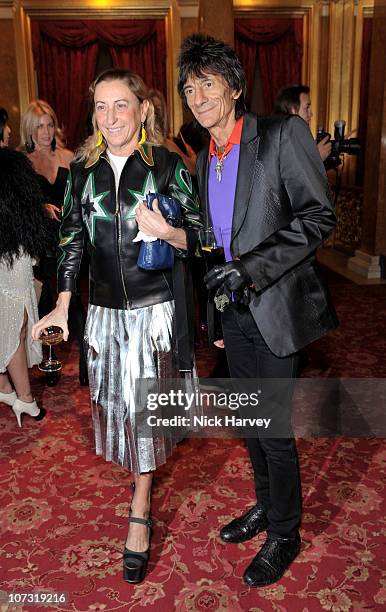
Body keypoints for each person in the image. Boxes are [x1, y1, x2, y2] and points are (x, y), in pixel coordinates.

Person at [178, 34, 338, 588]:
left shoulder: (279, 135)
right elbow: (211, 247)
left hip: (277, 307)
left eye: (208, 85)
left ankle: (286, 532)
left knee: (272, 429)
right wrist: (215, 317)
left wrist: (251, 267)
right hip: (235, 314)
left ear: (236, 88)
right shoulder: (203, 160)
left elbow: (319, 218)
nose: (196, 97)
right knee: (250, 425)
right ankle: (268, 510)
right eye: (189, 88)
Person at [32, 68, 201, 584]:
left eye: (120, 105)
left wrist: (169, 232)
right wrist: (63, 304)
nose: (110, 117)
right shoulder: (83, 172)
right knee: (121, 410)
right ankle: (140, 485)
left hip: (154, 312)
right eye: (100, 107)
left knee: (148, 412)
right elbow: (71, 240)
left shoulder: (167, 164)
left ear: (142, 109)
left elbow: (200, 236)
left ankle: (140, 509)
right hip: (104, 313)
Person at [20, 100, 88, 386]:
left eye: (49, 125)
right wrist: (40, 207)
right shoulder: (21, 162)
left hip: (70, 240)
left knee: (77, 305)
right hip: (41, 244)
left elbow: (83, 197)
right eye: (39, 127)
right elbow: (16, 207)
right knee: (47, 305)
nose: (46, 132)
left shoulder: (70, 157)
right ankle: (50, 366)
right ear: (29, 130)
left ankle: (87, 367)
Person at [0, 146, 47, 427]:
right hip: (9, 250)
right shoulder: (9, 164)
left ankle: (7, 389)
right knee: (16, 315)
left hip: (10, 245)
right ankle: (24, 398)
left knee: (13, 314)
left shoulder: (9, 163)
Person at [273, 84, 332, 162]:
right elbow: (292, 173)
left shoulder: (295, 138)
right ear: (292, 110)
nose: (311, 114)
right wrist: (316, 158)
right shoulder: (281, 143)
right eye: (307, 108)